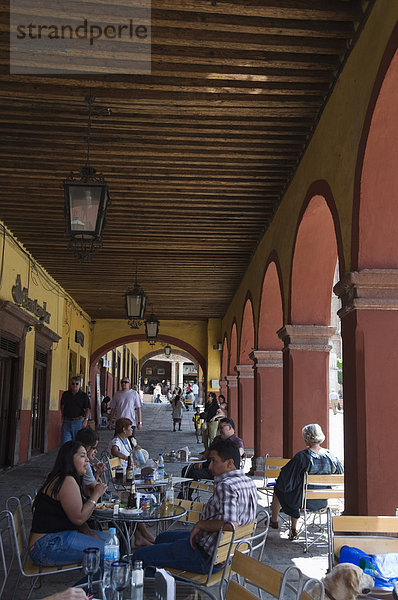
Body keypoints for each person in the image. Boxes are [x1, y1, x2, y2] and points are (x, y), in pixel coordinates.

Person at [131, 439, 257, 574]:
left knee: (140, 556)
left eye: (214, 461)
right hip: (226, 551)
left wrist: (200, 525)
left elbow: (230, 524)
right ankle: (164, 560)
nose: (209, 467)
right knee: (162, 538)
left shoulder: (227, 486)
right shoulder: (248, 482)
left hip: (206, 558)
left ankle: (167, 588)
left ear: (230, 463)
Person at [29, 441, 108, 567]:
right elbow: (79, 518)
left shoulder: (68, 478)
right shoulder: (66, 480)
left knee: (113, 542)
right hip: (46, 545)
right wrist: (96, 495)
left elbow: (78, 519)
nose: (87, 460)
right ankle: (98, 584)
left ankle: (100, 581)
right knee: (109, 551)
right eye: (82, 456)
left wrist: (90, 533)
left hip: (59, 537)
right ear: (69, 459)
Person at [270, 423, 344, 540]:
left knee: (279, 489)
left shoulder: (302, 456)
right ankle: (289, 526)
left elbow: (287, 477)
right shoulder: (330, 456)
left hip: (303, 501)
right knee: (293, 490)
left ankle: (280, 522)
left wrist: (280, 483)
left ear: (307, 438)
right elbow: (341, 473)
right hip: (322, 501)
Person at [183, 418, 244, 494]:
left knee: (194, 473)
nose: (219, 430)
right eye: (218, 428)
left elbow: (239, 452)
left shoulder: (237, 441)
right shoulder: (218, 439)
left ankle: (185, 495)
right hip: (209, 464)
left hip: (221, 469)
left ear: (229, 427)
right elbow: (208, 450)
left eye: (221, 427)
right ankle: (185, 494)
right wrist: (201, 460)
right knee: (186, 469)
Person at [75, 428, 106, 496]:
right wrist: (98, 473)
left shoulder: (74, 457)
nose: (96, 451)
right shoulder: (84, 464)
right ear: (88, 448)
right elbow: (95, 488)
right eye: (94, 448)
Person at [60, 377, 91, 444]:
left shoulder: (84, 396)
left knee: (77, 443)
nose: (75, 386)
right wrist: (63, 415)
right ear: (70, 385)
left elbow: (88, 408)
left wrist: (86, 420)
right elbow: (62, 406)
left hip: (78, 422)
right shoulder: (66, 394)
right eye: (73, 384)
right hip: (67, 422)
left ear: (80, 385)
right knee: (65, 443)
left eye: (77, 384)